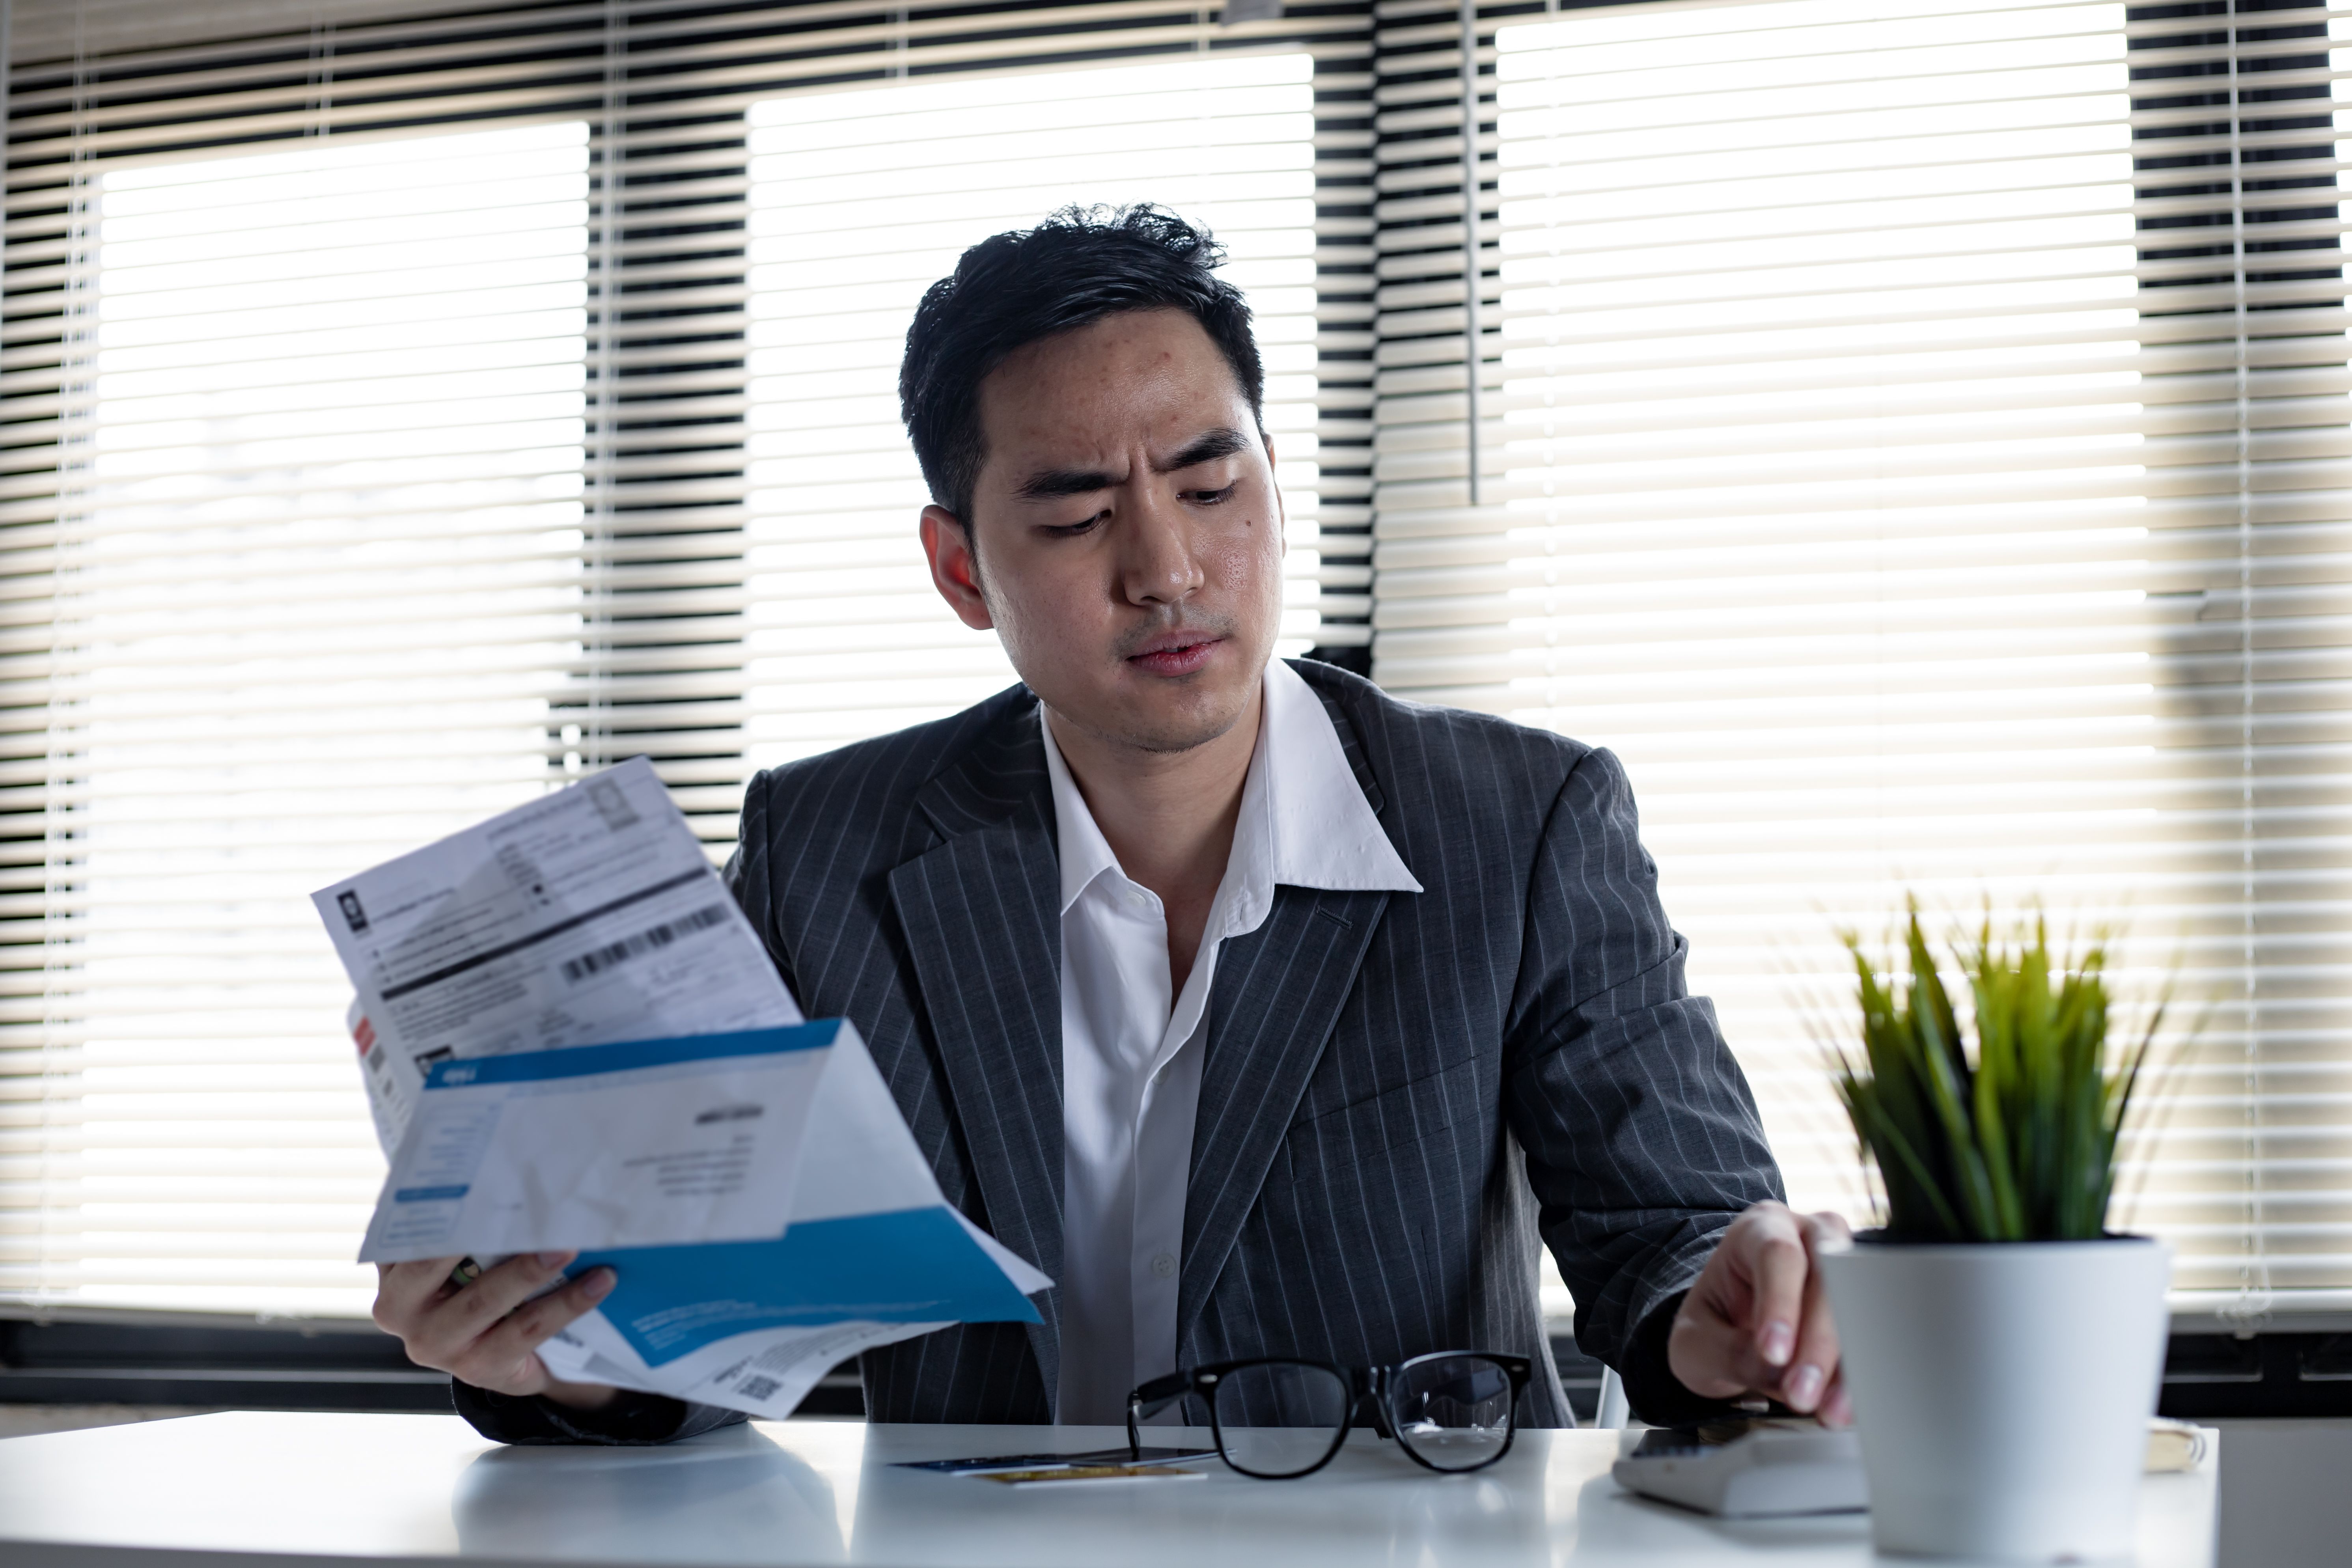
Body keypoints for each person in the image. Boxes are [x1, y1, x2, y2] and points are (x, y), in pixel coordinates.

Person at [373, 205, 1852, 1445]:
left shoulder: (1521, 822)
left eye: (1213, 483)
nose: (1166, 567)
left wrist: (1738, 1313)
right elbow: (698, 1320)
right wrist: (542, 1351)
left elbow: (1673, 1228)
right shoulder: (828, 848)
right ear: (962, 570)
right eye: (1078, 516)